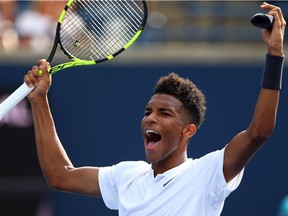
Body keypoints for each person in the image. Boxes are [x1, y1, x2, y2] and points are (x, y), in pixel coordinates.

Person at [23, 2, 285, 216]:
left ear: (188, 131)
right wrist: (39, 100)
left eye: (165, 113)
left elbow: (258, 132)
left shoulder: (207, 175)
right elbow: (60, 176)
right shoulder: (127, 176)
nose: (151, 118)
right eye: (148, 111)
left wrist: (275, 53)